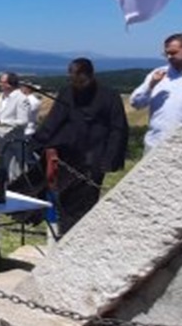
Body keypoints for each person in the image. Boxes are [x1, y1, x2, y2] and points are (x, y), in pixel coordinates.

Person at [32, 58, 128, 236]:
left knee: (85, 202)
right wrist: (36, 142)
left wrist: (110, 159)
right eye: (73, 81)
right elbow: (53, 121)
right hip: (67, 156)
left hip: (95, 158)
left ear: (90, 76)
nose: (78, 86)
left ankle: (81, 237)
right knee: (65, 200)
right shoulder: (67, 93)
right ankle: (66, 236)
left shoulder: (109, 95)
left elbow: (118, 128)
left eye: (81, 81)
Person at [0, 72, 32, 180]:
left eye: (2, 82)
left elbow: (23, 121)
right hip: (1, 138)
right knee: (1, 168)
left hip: (14, 140)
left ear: (10, 84)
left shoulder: (21, 99)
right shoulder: (2, 96)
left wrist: (4, 122)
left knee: (17, 170)